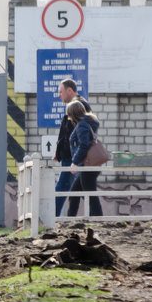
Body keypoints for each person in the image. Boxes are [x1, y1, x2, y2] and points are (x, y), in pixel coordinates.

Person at [54, 79, 91, 216]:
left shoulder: (80, 105)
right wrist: (58, 152)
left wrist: (75, 158)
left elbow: (80, 134)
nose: (59, 95)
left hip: (73, 157)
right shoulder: (75, 105)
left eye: (61, 91)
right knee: (80, 188)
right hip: (70, 156)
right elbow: (66, 131)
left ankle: (51, 219)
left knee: (62, 187)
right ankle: (96, 216)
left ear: (70, 90)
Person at [65, 100, 103, 217]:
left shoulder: (82, 125)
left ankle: (99, 219)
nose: (68, 117)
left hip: (87, 166)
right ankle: (70, 220)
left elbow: (84, 144)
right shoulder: (87, 123)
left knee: (90, 195)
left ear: (72, 114)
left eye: (68, 114)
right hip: (90, 165)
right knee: (75, 194)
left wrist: (75, 162)